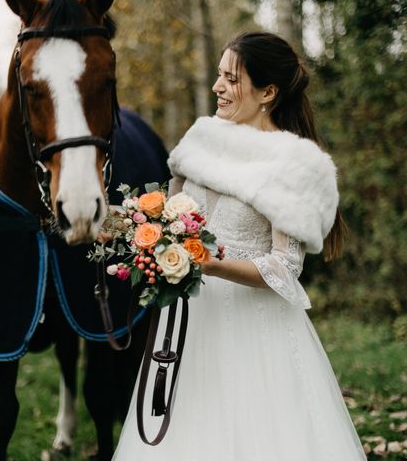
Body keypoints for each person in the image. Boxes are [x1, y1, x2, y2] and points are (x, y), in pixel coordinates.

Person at [113, 32, 366, 460]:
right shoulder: (200, 141)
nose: (218, 88)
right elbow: (172, 215)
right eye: (218, 76)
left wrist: (212, 264)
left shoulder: (295, 165)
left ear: (268, 92)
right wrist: (129, 226)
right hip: (190, 324)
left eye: (231, 79)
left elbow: (286, 269)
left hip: (258, 332)